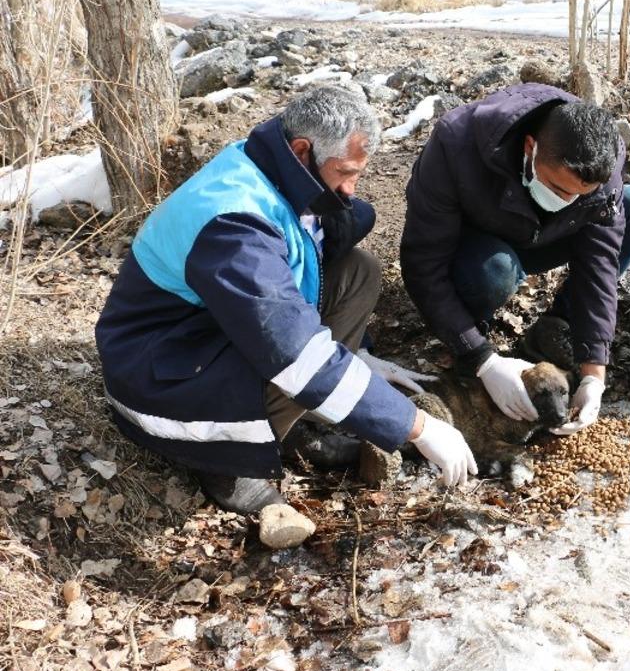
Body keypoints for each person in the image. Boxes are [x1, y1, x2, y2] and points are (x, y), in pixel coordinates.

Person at [95, 86, 477, 514]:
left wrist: (359, 355)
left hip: (202, 332)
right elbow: (296, 355)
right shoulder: (234, 226)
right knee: (297, 362)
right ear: (302, 150)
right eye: (345, 172)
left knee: (359, 271)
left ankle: (293, 417)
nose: (350, 188)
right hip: (159, 375)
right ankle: (228, 464)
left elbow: (309, 255)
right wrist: (416, 427)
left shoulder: (270, 162)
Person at [401, 83, 630, 434]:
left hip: (547, 235)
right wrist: (481, 359)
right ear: (529, 148)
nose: (569, 199)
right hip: (478, 244)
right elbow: (422, 261)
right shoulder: (456, 143)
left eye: (580, 195)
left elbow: (600, 266)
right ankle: (473, 332)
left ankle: (555, 329)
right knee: (494, 272)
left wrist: (593, 372)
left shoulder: (603, 163)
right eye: (559, 189)